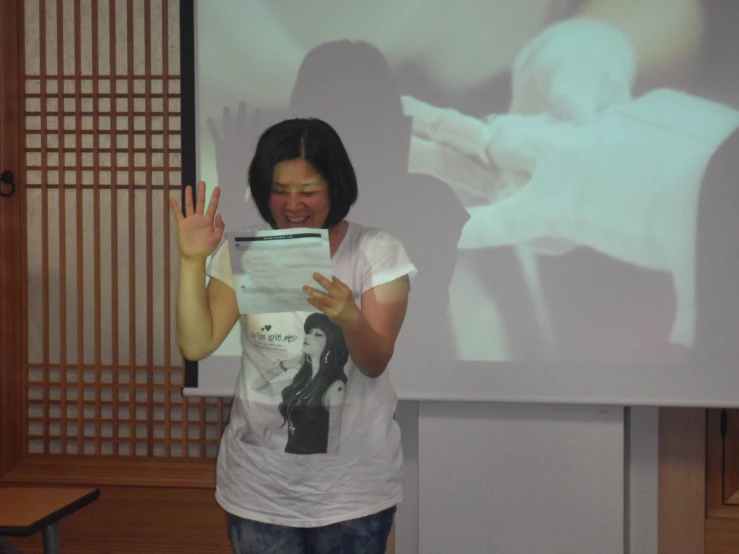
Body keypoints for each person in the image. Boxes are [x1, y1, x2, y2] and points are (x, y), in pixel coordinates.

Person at [169, 118, 416, 553]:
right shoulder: (250, 253)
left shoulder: (375, 251)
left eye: (308, 190)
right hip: (259, 488)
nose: (292, 204)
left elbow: (374, 360)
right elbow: (197, 343)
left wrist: (349, 317)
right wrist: (193, 261)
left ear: (336, 186)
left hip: (352, 491)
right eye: (280, 189)